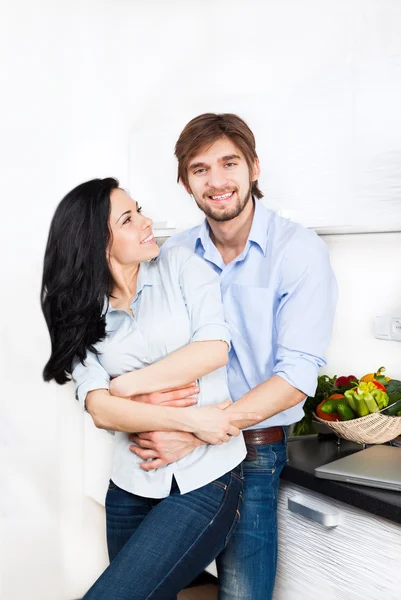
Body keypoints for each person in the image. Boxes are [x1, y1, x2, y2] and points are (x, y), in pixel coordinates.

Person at [129, 113, 338, 600]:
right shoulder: (171, 254)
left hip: (254, 450)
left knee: (242, 592)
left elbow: (295, 378)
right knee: (136, 582)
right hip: (176, 439)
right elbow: (147, 348)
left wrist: (201, 432)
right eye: (200, 169)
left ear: (254, 168)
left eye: (229, 163)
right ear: (185, 182)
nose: (217, 181)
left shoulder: (298, 251)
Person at [40, 177, 261, 600]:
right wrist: (188, 418)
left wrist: (125, 388)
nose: (146, 222)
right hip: (129, 483)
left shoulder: (182, 266)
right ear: (95, 244)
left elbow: (213, 349)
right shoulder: (77, 311)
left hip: (206, 477)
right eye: (128, 219)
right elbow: (100, 410)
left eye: (138, 209)